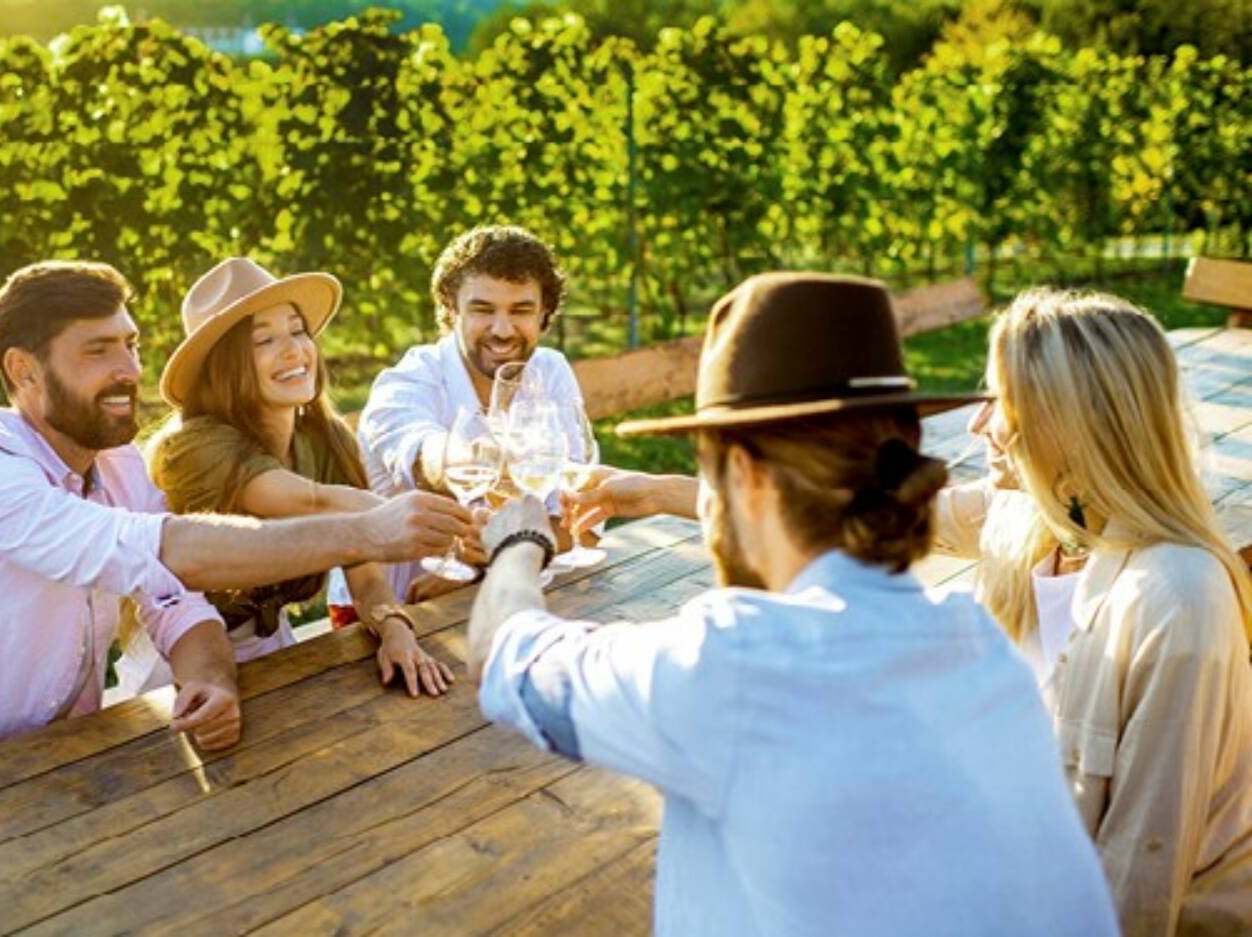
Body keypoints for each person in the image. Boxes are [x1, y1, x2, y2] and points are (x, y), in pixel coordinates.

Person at [468, 272, 1118, 935]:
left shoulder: (735, 664)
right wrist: (662, 492)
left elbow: (505, 654)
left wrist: (518, 541)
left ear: (745, 474)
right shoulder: (980, 649)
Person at [0, 261, 472, 790]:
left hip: (53, 766)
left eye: (131, 345)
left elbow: (172, 600)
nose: (131, 371)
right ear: (24, 371)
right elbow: (163, 550)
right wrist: (370, 530)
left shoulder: (118, 465)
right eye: (99, 351)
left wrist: (212, 681)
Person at [932, 288, 1252, 936]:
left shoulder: (1176, 598)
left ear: (1069, 418)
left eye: (998, 399)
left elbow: (1139, 874)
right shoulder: (1036, 521)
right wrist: (666, 493)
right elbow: (844, 518)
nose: (976, 424)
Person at [114, 257, 455, 699]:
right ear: (224, 366)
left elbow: (367, 575)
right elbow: (314, 502)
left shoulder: (327, 439)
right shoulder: (193, 448)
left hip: (271, 645)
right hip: (175, 659)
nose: (295, 350)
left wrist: (394, 627)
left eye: (297, 330)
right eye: (264, 340)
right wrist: (450, 528)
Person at [358, 225, 585, 602]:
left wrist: (491, 561)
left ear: (545, 312)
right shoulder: (406, 382)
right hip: (395, 610)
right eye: (482, 309)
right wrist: (476, 461)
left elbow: (576, 522)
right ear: (451, 308)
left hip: (499, 596)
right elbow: (423, 459)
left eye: (521, 310)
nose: (502, 330)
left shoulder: (550, 371)